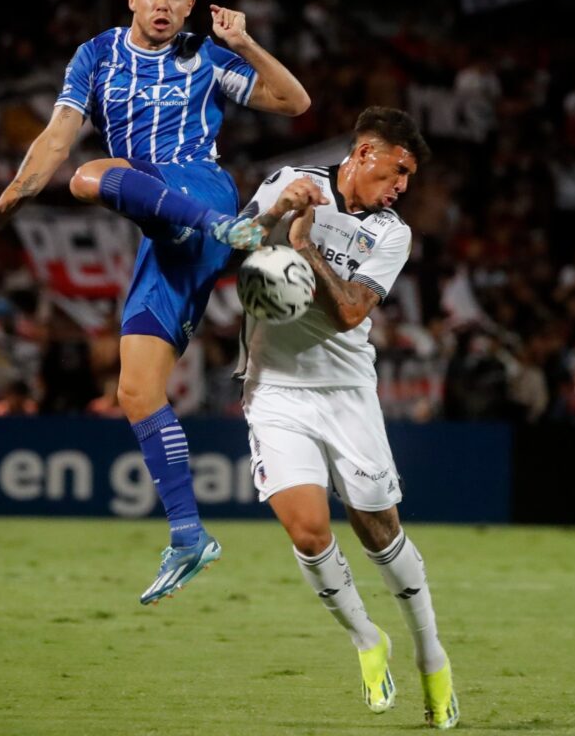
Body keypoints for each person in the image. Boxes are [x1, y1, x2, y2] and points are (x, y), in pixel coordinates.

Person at [0, 0, 310, 605]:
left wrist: (245, 42)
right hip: (168, 232)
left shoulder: (206, 55)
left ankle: (222, 228)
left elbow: (295, 101)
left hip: (204, 192)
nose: (165, 3)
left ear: (191, 7)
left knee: (90, 176)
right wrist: (5, 202)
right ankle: (189, 535)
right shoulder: (98, 56)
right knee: (137, 390)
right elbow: (56, 137)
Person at [235, 107, 458, 728]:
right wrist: (278, 214)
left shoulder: (392, 233)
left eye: (409, 176)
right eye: (399, 169)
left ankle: (430, 653)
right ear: (364, 152)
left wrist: (303, 247)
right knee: (307, 531)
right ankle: (366, 638)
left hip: (346, 391)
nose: (402, 186)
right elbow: (234, 241)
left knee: (378, 531)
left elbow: (352, 313)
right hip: (273, 387)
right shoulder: (291, 179)